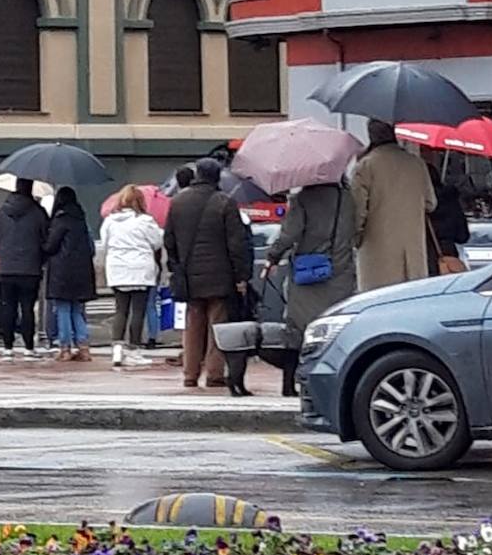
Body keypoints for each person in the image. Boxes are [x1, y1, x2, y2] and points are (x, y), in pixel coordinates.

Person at [165, 158, 249, 389]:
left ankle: (190, 374)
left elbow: (169, 240)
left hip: (189, 275)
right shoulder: (225, 202)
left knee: (193, 325)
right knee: (217, 325)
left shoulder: (178, 202)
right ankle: (214, 373)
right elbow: (236, 244)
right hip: (220, 276)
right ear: (217, 176)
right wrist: (241, 275)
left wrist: (177, 267)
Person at [263, 181, 357, 357]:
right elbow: (357, 228)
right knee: (337, 323)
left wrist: (273, 256)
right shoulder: (348, 198)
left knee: (302, 327)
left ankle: (302, 371)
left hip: (307, 273)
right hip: (341, 270)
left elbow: (289, 234)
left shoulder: (303, 199)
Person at [350, 120, 436, 290]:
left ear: (371, 135)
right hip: (413, 253)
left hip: (377, 255)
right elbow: (430, 203)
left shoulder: (365, 166)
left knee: (377, 305)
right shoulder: (417, 164)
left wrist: (355, 238)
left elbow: (356, 210)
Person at [99, 186, 164, 368]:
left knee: (121, 309)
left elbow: (105, 243)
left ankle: (117, 347)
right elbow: (156, 242)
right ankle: (133, 349)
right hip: (140, 268)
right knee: (138, 310)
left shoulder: (110, 221)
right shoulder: (145, 221)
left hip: (117, 268)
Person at [0, 178, 49, 360]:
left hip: (6, 267)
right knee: (27, 308)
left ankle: (7, 347)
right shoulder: (38, 213)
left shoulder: (1, 213)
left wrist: (2, 253)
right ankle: (29, 348)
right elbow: (46, 239)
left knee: (7, 306)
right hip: (30, 268)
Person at [43, 187, 95, 361]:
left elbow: (51, 246)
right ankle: (84, 347)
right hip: (82, 271)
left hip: (62, 271)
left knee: (63, 309)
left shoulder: (60, 220)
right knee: (77, 310)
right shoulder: (81, 220)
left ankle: (65, 347)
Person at [424, 162, 470, 275]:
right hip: (450, 256)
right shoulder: (451, 201)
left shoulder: (419, 204)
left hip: (424, 258)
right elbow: (463, 236)